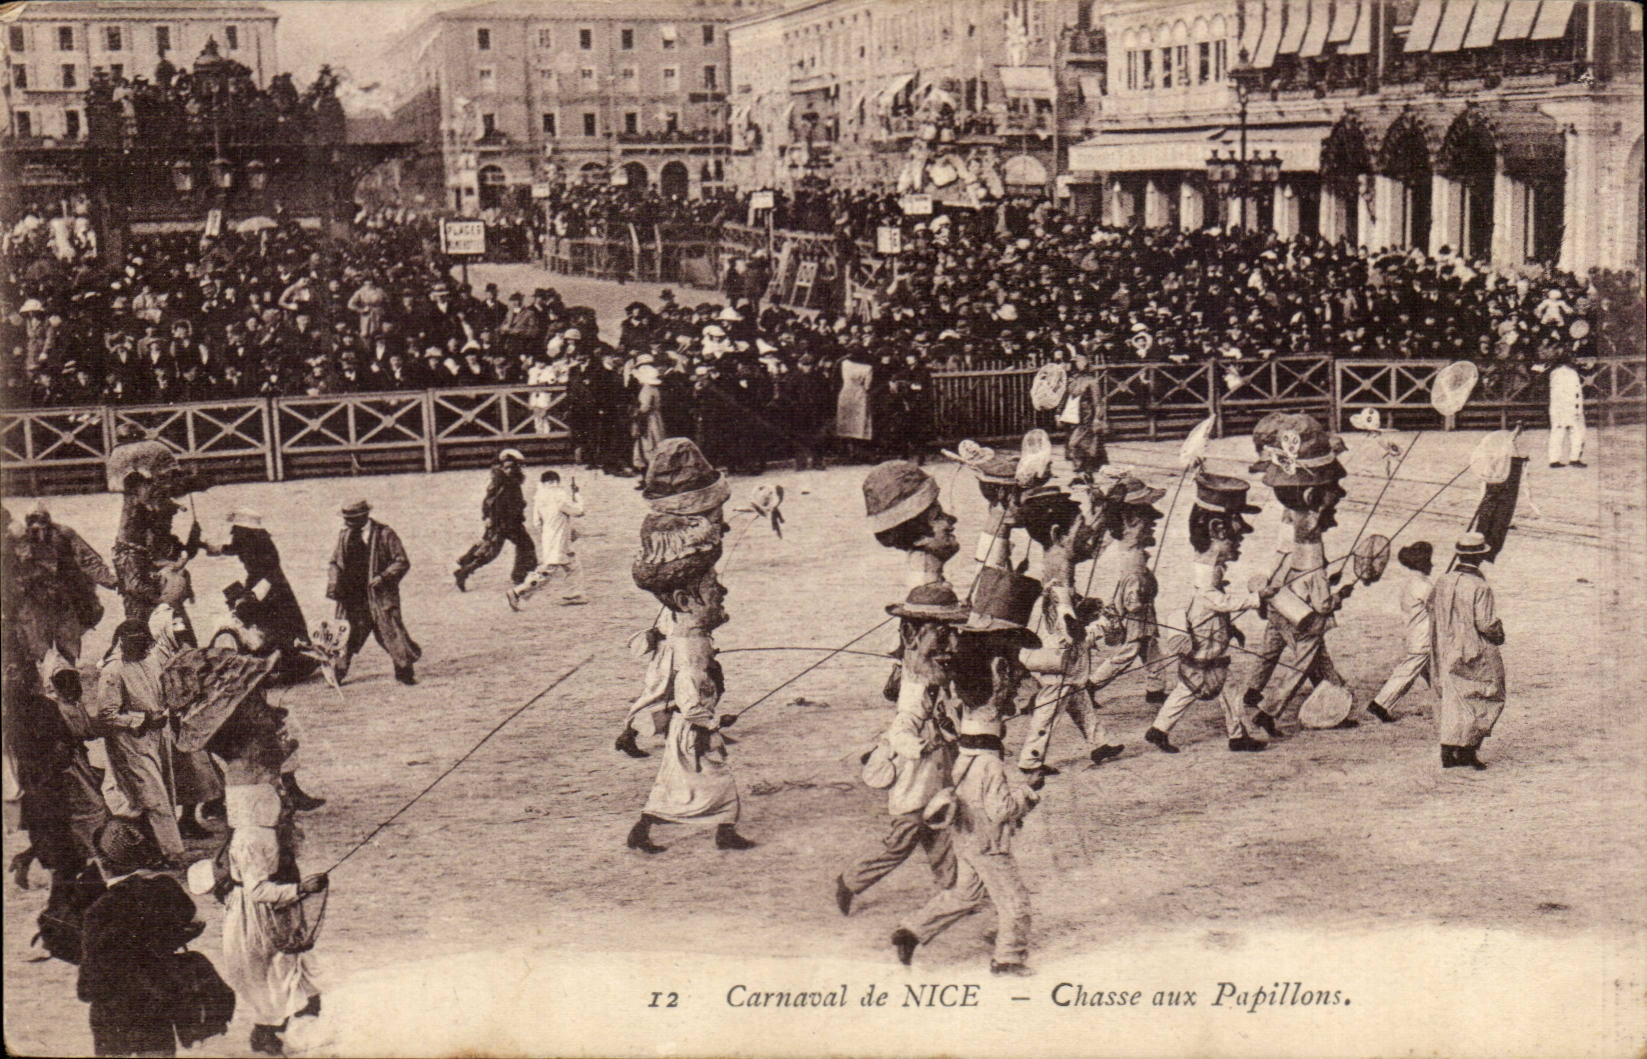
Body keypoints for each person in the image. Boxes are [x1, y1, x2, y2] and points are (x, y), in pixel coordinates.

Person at [891, 639, 1040, 975]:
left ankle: (911, 931)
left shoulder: (965, 757)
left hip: (965, 837)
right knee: (1015, 904)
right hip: (989, 843)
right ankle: (1009, 959)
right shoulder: (990, 764)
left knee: (966, 895)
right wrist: (1027, 795)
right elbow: (1003, 810)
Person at [623, 513, 754, 854]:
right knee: (716, 781)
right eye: (713, 588)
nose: (722, 591)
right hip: (693, 729)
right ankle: (722, 831)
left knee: (677, 784)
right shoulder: (689, 648)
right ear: (684, 601)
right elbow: (690, 696)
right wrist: (713, 722)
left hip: (686, 728)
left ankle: (651, 829)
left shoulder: (693, 634)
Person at [834, 582, 965, 917]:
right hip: (913, 784)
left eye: (951, 632)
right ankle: (850, 880)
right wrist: (922, 746)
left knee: (941, 840)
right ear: (912, 635)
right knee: (899, 845)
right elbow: (901, 729)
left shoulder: (933, 677)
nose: (949, 643)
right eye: (939, 633)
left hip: (935, 780)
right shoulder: (915, 687)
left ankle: (954, 891)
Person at [78, 827, 235, 1057]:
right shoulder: (165, 888)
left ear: (103, 865)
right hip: (156, 995)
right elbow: (195, 923)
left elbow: (92, 973)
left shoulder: (99, 909)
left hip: (113, 1009)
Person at [1143, 473, 1269, 754]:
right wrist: (1254, 599)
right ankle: (1234, 736)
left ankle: (1161, 729)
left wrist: (1231, 629)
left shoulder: (1211, 566)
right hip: (1206, 644)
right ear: (1217, 530)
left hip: (1210, 639)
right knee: (1210, 688)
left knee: (1194, 690)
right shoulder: (1207, 570)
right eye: (1235, 537)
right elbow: (1215, 601)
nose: (1239, 541)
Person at [95, 619, 189, 867]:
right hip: (130, 743)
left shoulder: (149, 659)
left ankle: (150, 849)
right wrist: (144, 719)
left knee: (164, 793)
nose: (146, 647)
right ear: (125, 643)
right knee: (153, 797)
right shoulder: (112, 671)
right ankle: (173, 853)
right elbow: (106, 715)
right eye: (140, 643)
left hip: (158, 736)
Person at [205, 510, 316, 685]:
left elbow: (263, 570)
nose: (233, 533)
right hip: (271, 584)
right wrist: (216, 548)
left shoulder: (252, 543)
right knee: (279, 623)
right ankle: (287, 657)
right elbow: (235, 549)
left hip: (269, 586)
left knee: (272, 623)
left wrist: (251, 594)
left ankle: (282, 661)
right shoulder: (254, 540)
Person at [1429, 532, 1507, 770]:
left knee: (1453, 697)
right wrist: (1499, 633)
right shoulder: (1480, 586)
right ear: (1481, 556)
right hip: (1474, 646)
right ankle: (1467, 749)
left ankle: (1447, 747)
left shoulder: (1443, 580)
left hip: (1446, 645)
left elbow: (1429, 606)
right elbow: (1485, 623)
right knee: (1488, 694)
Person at [325, 499, 421, 686]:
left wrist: (384, 577)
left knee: (390, 632)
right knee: (345, 634)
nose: (348, 523)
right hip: (352, 595)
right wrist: (334, 583)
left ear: (364, 516)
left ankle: (404, 671)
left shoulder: (385, 534)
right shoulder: (344, 535)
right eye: (346, 519)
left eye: (352, 519)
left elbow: (401, 561)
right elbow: (335, 562)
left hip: (379, 596)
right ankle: (337, 673)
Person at [10, 503, 115, 663]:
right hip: (36, 601)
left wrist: (109, 579)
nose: (37, 527)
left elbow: (87, 558)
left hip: (63, 598)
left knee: (67, 647)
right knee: (38, 649)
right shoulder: (20, 540)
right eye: (32, 521)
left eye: (41, 521)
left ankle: (67, 676)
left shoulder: (63, 535)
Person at [1366, 542, 1434, 723]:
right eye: (1429, 561)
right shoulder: (1423, 586)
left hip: (1414, 634)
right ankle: (1380, 704)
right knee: (1408, 673)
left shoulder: (1411, 584)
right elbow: (1438, 607)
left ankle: (1444, 704)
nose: (1432, 564)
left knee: (1434, 674)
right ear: (1422, 563)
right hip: (1424, 638)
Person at [454, 449, 537, 592]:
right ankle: (465, 571)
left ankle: (465, 565)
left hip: (504, 521)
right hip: (507, 522)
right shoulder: (507, 482)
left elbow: (488, 501)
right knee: (494, 552)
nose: (513, 469)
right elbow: (499, 503)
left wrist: (487, 517)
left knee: (493, 549)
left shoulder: (500, 480)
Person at [508, 470, 587, 610]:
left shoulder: (539, 496)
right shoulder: (559, 495)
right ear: (555, 481)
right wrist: (577, 495)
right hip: (559, 539)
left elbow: (537, 522)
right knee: (547, 571)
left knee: (573, 565)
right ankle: (517, 592)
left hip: (549, 536)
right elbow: (578, 511)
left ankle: (576, 594)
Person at [1546, 357, 1586, 468]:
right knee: (1575, 432)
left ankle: (1555, 459)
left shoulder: (1555, 373)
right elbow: (1571, 393)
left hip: (1561, 407)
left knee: (1559, 432)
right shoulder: (1568, 373)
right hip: (1566, 407)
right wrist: (1576, 408)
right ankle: (1573, 458)